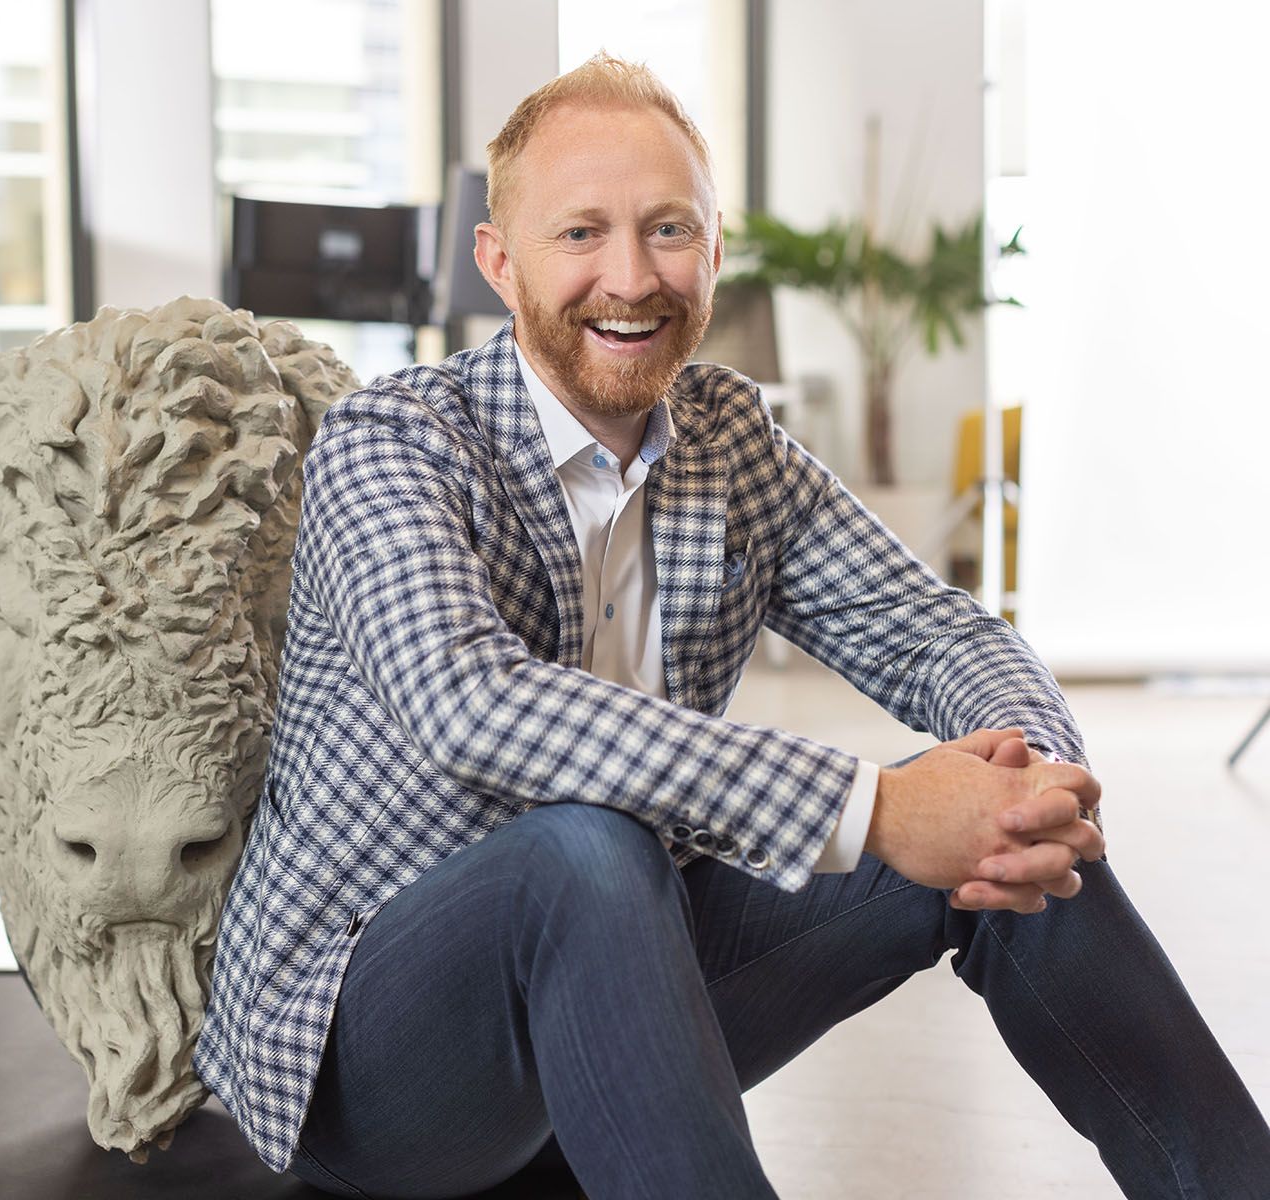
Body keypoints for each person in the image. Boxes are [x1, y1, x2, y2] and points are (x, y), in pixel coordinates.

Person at [190, 53, 1270, 1198]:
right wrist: (879, 806)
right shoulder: (394, 443)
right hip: (371, 1061)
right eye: (580, 235)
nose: (630, 276)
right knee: (583, 846)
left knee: (995, 832)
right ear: (498, 264)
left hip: (620, 998)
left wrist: (1030, 778)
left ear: (713, 252)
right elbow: (473, 707)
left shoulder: (726, 438)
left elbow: (927, 628)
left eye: (667, 230)